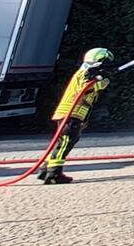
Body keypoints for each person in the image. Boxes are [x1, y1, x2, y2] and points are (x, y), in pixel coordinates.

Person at [37, 47, 115, 184]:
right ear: (98, 61)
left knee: (62, 143)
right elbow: (87, 88)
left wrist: (102, 77)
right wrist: (104, 82)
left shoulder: (86, 73)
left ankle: (45, 170)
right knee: (65, 144)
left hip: (71, 115)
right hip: (71, 115)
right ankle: (54, 174)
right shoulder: (85, 74)